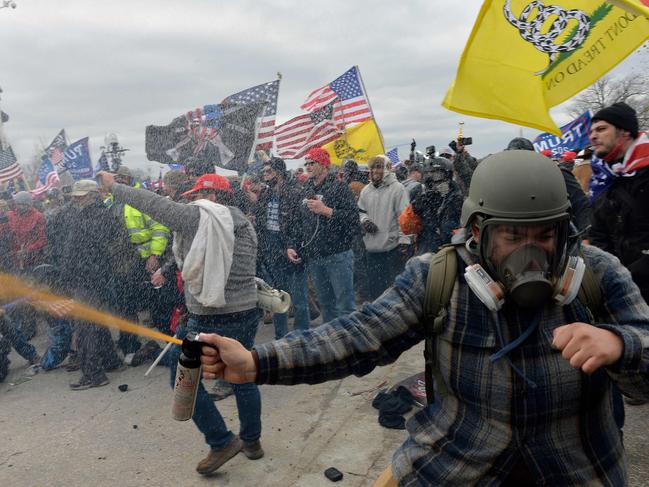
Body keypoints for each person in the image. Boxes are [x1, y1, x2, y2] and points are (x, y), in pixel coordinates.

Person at [197, 150, 649, 486]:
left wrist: (621, 345)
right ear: (477, 231)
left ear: (565, 232)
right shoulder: (441, 276)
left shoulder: (596, 274)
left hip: (579, 472)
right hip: (454, 469)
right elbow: (360, 334)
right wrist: (257, 362)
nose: (530, 250)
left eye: (545, 234)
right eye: (512, 235)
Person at [97, 170, 263, 475]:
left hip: (212, 317)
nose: (194, 202)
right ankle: (251, 441)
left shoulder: (204, 218)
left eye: (198, 196)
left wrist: (115, 187)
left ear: (213, 197)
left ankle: (221, 440)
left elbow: (157, 206)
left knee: (183, 378)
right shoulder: (242, 222)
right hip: (245, 311)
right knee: (242, 375)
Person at [55, 180, 126, 390]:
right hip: (95, 277)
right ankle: (111, 361)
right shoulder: (102, 215)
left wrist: (67, 275)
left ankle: (93, 374)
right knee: (96, 321)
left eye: (81, 195)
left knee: (86, 327)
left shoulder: (88, 218)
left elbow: (77, 252)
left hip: (85, 277)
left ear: (93, 195)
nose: (77, 199)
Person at [589, 102, 649, 329]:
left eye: (601, 129)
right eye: (592, 130)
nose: (593, 136)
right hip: (623, 293)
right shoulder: (603, 179)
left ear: (625, 132)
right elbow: (599, 236)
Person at [288, 147, 361, 323]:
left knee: (345, 306)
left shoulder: (339, 187)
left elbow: (353, 219)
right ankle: (332, 344)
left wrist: (327, 210)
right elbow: (298, 221)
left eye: (312, 163)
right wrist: (292, 245)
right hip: (315, 256)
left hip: (338, 255)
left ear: (324, 165)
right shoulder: (305, 189)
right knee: (326, 305)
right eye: (306, 163)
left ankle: (350, 345)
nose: (308, 166)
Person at [111, 166, 171, 353]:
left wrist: (155, 255)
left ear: (129, 179)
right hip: (125, 261)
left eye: (122, 178)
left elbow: (160, 228)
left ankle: (168, 341)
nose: (119, 181)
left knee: (155, 301)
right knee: (127, 303)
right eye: (117, 178)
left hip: (146, 260)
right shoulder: (112, 202)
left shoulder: (141, 199)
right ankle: (131, 342)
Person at [253, 157, 310, 337]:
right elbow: (262, 223)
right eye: (263, 172)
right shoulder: (265, 194)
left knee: (299, 298)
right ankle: (281, 337)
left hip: (292, 250)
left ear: (278, 172)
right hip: (272, 250)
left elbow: (300, 224)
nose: (265, 175)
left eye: (268, 172)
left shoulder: (295, 193)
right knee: (277, 298)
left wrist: (291, 245)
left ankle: (302, 336)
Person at [507, 137, 592, 234]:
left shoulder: (557, 173)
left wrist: (584, 235)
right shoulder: (506, 179)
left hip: (556, 234)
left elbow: (580, 203)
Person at [358, 155, 411, 300]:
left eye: (379, 167)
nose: (375, 170)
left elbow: (404, 217)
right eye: (373, 167)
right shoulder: (365, 191)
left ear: (387, 169)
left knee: (392, 292)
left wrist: (404, 241)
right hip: (371, 250)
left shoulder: (397, 189)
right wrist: (365, 221)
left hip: (391, 249)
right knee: (375, 292)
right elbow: (360, 212)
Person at [399, 157, 463, 255]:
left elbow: (462, 231)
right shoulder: (425, 197)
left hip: (450, 252)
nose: (433, 179)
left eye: (437, 174)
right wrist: (416, 207)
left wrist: (448, 234)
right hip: (426, 250)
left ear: (448, 175)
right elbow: (406, 226)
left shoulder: (457, 198)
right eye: (430, 175)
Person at [6, 191, 47, 270]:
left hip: (32, 259)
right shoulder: (10, 215)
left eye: (24, 204)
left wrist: (28, 250)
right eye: (19, 204)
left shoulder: (38, 217)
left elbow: (42, 239)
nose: (21, 207)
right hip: (12, 259)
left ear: (29, 205)